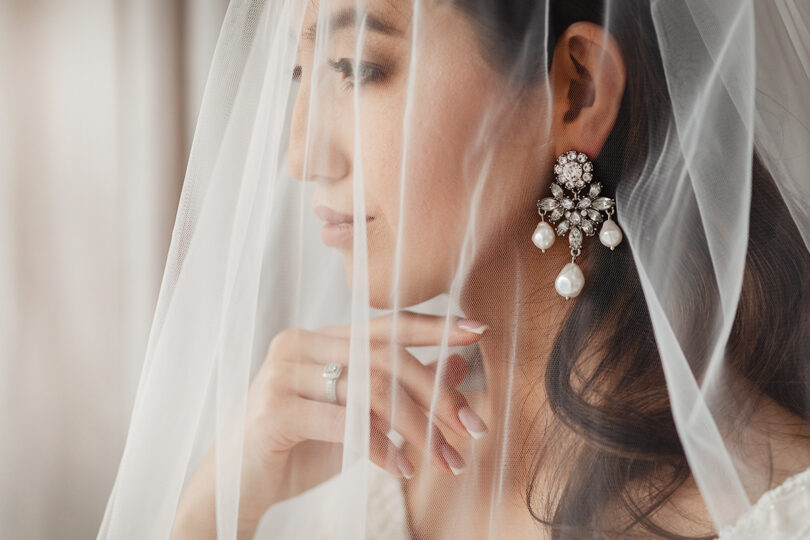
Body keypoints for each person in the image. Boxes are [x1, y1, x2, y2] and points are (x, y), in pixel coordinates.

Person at [98, 0, 810, 539]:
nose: (302, 158)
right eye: (299, 73)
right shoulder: (347, 488)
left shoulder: (778, 510)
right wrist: (219, 499)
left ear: (578, 91)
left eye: (358, 68)